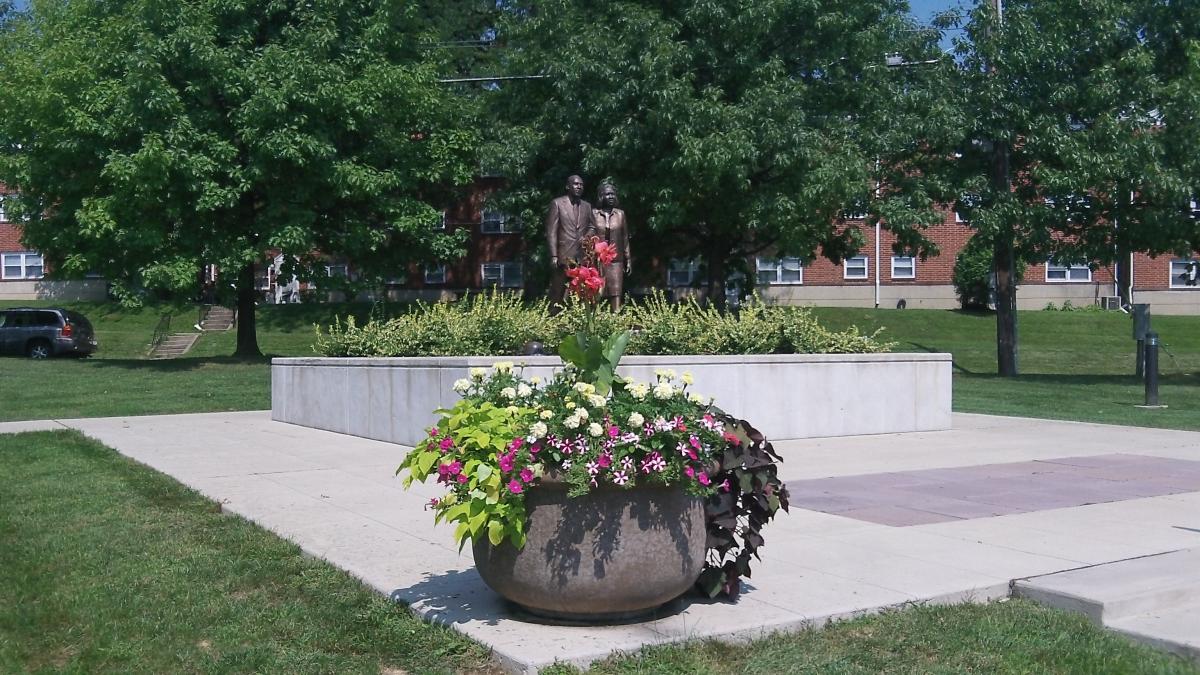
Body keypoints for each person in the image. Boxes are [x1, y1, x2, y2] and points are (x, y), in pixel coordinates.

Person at [544, 174, 596, 307]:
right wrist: (554, 255)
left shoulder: (587, 206)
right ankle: (553, 319)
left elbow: (592, 226)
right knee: (558, 290)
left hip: (581, 256)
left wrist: (587, 237)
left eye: (581, 185)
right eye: (576, 184)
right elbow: (551, 232)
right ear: (568, 186)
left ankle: (576, 319)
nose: (579, 187)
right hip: (563, 254)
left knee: (579, 291)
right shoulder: (557, 203)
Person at [593, 182, 631, 311]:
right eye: (608, 194)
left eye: (613, 194)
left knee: (616, 291)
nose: (611, 197)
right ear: (601, 196)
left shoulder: (620, 214)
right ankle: (596, 320)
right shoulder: (593, 214)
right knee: (597, 291)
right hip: (597, 259)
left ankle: (616, 320)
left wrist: (628, 259)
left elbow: (625, 237)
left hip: (616, 260)